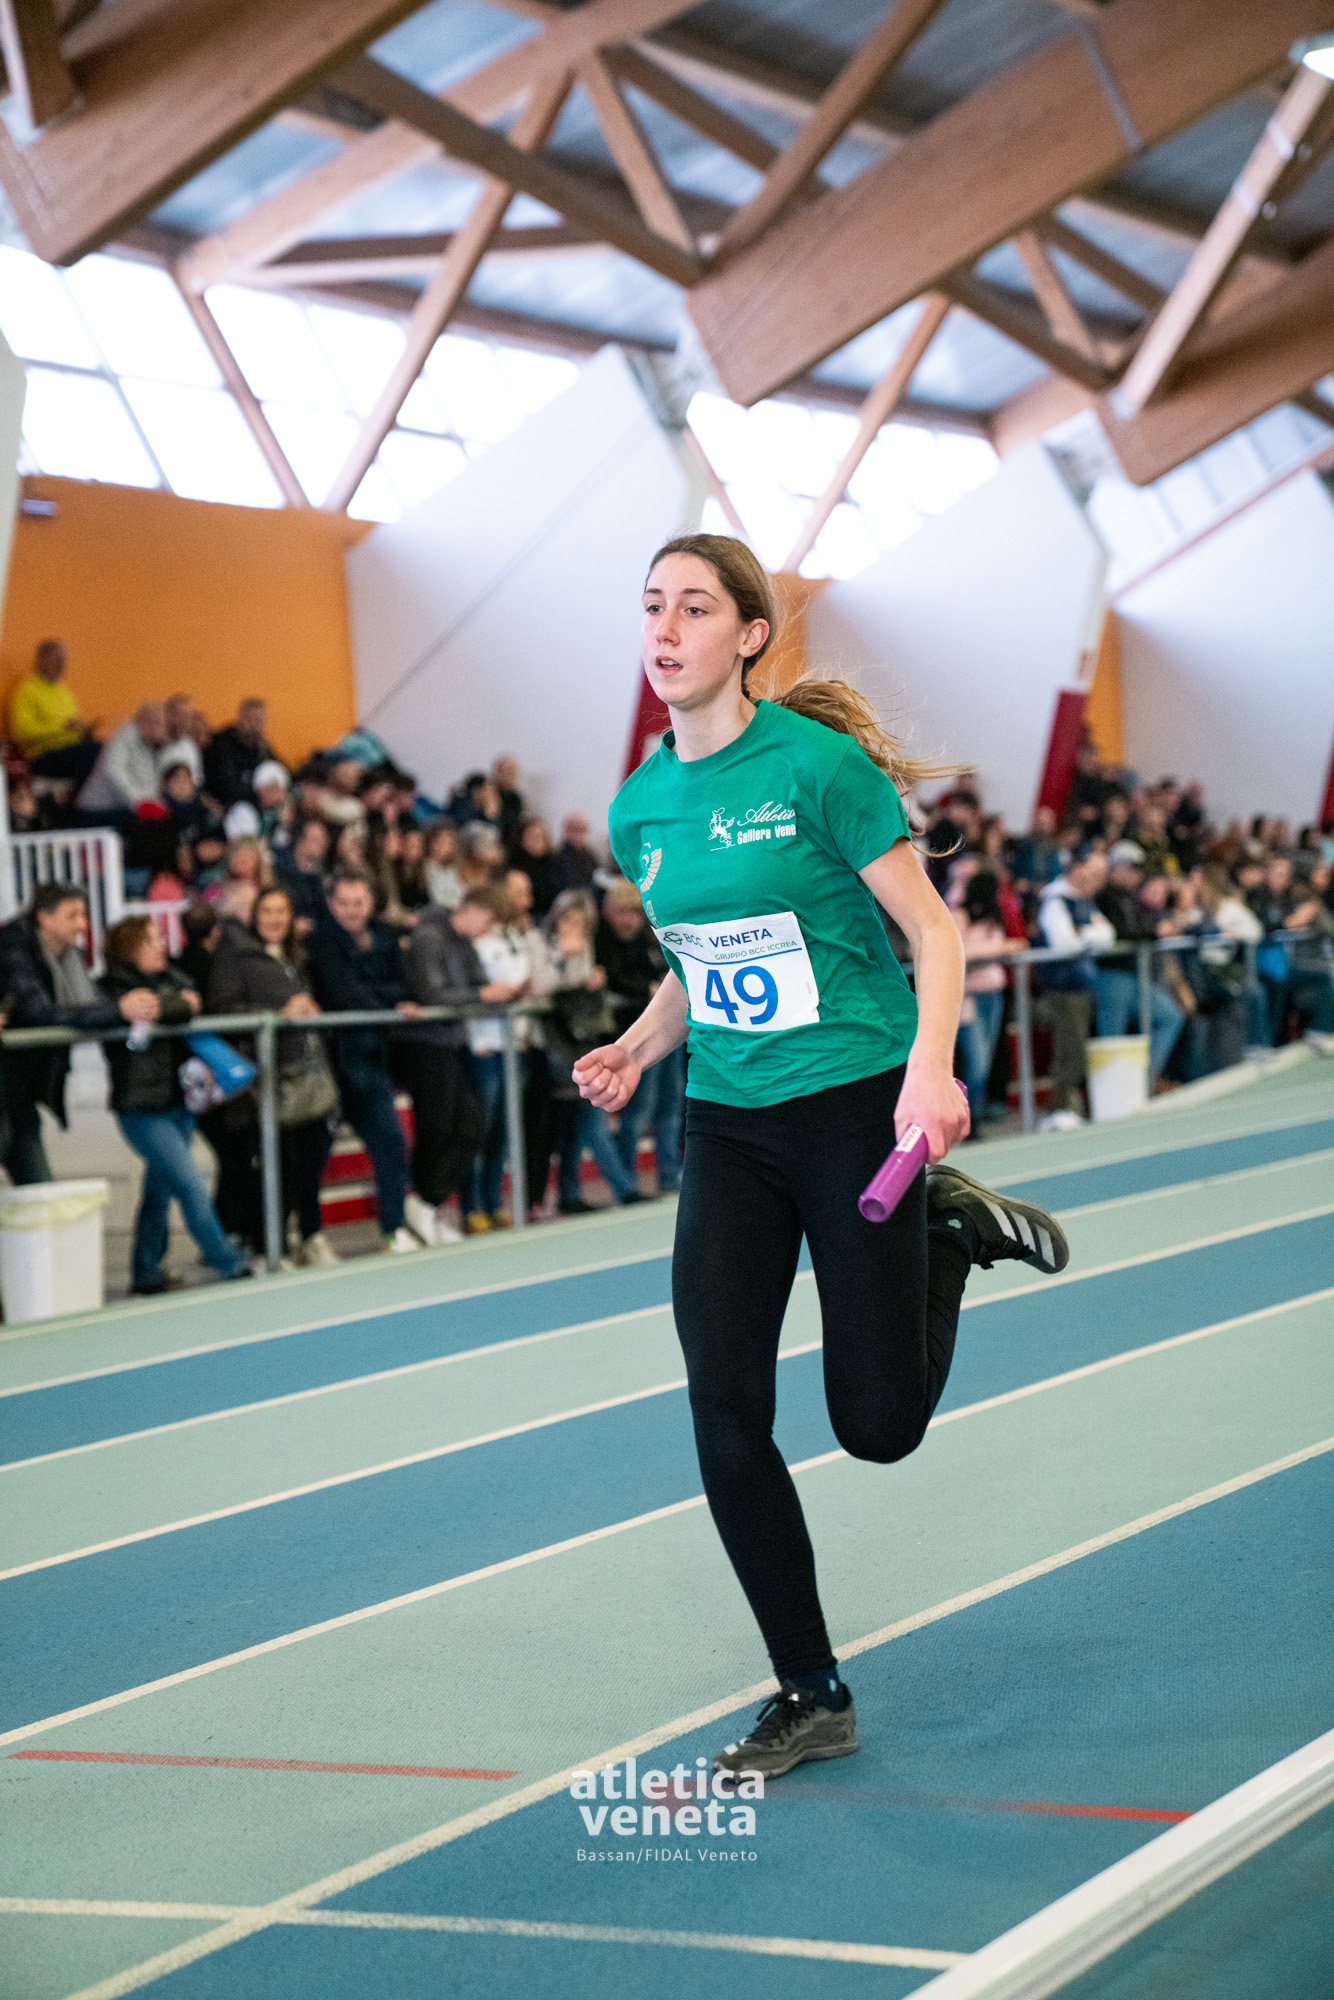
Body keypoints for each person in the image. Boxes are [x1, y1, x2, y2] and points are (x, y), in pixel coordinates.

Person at [574, 535, 1069, 1778]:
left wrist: (928, 1070)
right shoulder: (639, 806)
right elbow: (695, 957)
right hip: (726, 1122)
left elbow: (933, 932)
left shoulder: (815, 767)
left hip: (853, 1105)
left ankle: (943, 1231)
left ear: (749, 635)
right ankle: (809, 1686)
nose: (665, 628)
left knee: (877, 1425)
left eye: (694, 607)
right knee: (722, 1406)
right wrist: (637, 1043)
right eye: (651, 606)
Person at [100, 915, 250, 1294]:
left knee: (159, 1191)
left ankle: (145, 1270)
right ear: (129, 948)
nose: (161, 946)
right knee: (189, 1185)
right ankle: (228, 1263)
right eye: (150, 940)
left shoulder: (173, 979)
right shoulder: (111, 988)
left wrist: (168, 1006)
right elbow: (179, 1006)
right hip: (141, 1107)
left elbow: (188, 1000)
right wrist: (176, 1006)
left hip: (177, 1102)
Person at [207, 887, 338, 1267]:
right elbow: (222, 1009)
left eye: (281, 911)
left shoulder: (298, 957)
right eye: (266, 911)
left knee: (311, 1162)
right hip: (268, 1078)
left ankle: (309, 1236)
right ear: (254, 916)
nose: (274, 918)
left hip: (311, 1072)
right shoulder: (236, 956)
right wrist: (278, 1015)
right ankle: (271, 1246)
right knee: (276, 1167)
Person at [0, 884, 154, 1184]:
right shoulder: (12, 952)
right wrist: (119, 1010)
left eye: (84, 915)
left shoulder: (67, 958)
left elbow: (91, 1002)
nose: (82, 925)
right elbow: (40, 1013)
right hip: (9, 1087)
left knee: (38, 1188)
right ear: (44, 918)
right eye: (72, 916)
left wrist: (133, 1005)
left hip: (19, 1095)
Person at [306, 870, 421, 1253]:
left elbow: (405, 986)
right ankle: (307, 1238)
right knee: (313, 1157)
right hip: (330, 1066)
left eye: (358, 903)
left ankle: (393, 1229)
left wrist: (382, 999)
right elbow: (342, 994)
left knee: (391, 1143)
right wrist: (389, 1005)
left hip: (372, 1063)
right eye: (344, 903)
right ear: (331, 904)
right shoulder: (320, 941)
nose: (352, 911)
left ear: (371, 903)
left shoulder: (386, 936)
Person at [402, 887, 512, 1243]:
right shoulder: (429, 938)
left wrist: (496, 992)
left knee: (471, 1126)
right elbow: (432, 994)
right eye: (488, 921)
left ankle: (429, 1202)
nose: (488, 930)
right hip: (427, 1044)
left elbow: (476, 984)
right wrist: (482, 995)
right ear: (473, 908)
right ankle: (422, 1204)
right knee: (437, 1128)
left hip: (453, 1042)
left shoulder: (462, 942)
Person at [594, 877, 678, 1193]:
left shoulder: (647, 937)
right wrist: (647, 990)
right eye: (623, 912)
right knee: (639, 1109)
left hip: (667, 1031)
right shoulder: (603, 941)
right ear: (608, 912)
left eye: (635, 912)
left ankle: (669, 1172)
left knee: (671, 1103)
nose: (630, 919)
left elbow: (667, 971)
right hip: (629, 1037)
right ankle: (628, 1181)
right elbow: (614, 979)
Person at [1036, 850, 1114, 1129]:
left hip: (1081, 984)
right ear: (1076, 869)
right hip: (1062, 986)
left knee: (1076, 1048)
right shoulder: (1055, 900)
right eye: (1090, 872)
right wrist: (1087, 935)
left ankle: (1065, 1107)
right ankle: (1059, 1110)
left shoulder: (1083, 900)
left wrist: (1083, 934)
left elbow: (1108, 936)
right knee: (1071, 1049)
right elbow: (1065, 943)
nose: (1095, 879)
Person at [1093, 845, 1185, 1082]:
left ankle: (1143, 1081)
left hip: (1137, 973)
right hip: (1113, 973)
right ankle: (1111, 1091)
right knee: (1112, 1037)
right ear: (1117, 867)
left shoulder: (1133, 897)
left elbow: (1140, 927)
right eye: (1132, 868)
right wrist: (1154, 932)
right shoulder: (1103, 897)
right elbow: (1116, 933)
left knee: (1170, 1016)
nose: (1137, 874)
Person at [953, 870, 1019, 1128]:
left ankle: (976, 1114)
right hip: (969, 997)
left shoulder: (994, 918)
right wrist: (1001, 948)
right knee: (976, 1062)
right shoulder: (959, 916)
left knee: (987, 1059)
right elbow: (958, 951)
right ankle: (967, 1117)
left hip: (993, 995)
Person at [8, 639, 101, 787]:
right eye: (56, 660)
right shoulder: (27, 690)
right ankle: (85, 799)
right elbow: (21, 733)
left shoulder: (65, 692)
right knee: (92, 753)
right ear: (40, 660)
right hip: (41, 756)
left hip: (69, 751)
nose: (61, 665)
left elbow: (74, 727)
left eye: (63, 661)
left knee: (105, 750)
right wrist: (62, 727)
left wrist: (85, 731)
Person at [77, 701, 170, 825]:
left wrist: (155, 804)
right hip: (97, 809)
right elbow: (113, 773)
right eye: (161, 723)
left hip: (120, 807)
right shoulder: (124, 738)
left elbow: (149, 783)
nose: (165, 729)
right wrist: (140, 804)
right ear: (146, 722)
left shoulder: (149, 746)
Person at [203, 699, 278, 809]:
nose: (255, 726)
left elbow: (280, 770)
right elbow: (228, 788)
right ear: (240, 718)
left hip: (256, 804)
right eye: (251, 720)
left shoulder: (262, 747)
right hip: (226, 807)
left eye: (260, 721)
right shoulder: (222, 745)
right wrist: (261, 795)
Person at [274, 817, 331, 932]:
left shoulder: (325, 874)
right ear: (300, 841)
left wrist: (313, 924)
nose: (323, 844)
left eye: (325, 839)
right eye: (316, 839)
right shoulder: (279, 869)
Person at [511, 815, 566, 920]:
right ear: (521, 838)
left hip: (553, 913)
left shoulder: (557, 863)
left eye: (540, 836)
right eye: (531, 836)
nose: (536, 840)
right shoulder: (515, 864)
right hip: (529, 914)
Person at [423, 821, 464, 910]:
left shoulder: (455, 869)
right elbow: (435, 897)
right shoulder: (423, 867)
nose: (443, 847)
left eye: (449, 843)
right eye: (440, 841)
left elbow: (462, 893)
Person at [555, 812, 598, 890]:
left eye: (583, 830)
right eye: (576, 830)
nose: (580, 835)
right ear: (566, 831)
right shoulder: (559, 857)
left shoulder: (589, 854)